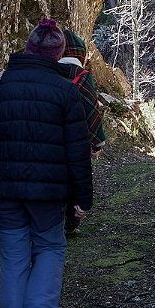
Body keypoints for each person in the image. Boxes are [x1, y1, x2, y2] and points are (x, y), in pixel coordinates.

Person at [0, 19, 92, 308]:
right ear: (59, 54)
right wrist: (83, 198)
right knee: (49, 247)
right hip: (49, 194)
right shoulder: (66, 91)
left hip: (4, 190)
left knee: (13, 258)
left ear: (28, 48)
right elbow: (77, 151)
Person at [58, 28, 106, 234]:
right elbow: (91, 109)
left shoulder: (48, 72)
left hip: (49, 136)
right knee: (74, 179)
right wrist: (96, 142)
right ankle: (70, 222)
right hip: (75, 140)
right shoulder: (82, 77)